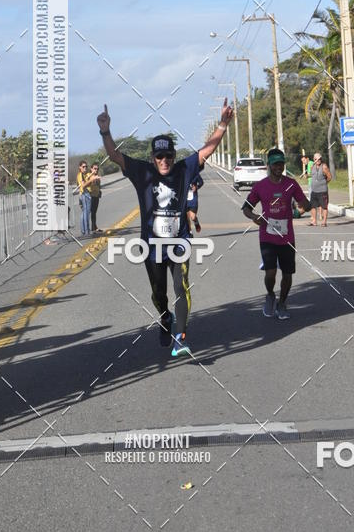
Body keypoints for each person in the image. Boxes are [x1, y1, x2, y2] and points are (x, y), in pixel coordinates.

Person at [96, 101, 233, 358]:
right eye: (159, 157)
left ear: (174, 156)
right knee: (159, 292)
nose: (164, 161)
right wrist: (105, 131)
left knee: (181, 287)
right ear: (152, 158)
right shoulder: (142, 172)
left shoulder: (184, 169)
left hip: (179, 240)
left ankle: (181, 337)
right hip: (152, 245)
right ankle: (164, 316)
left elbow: (207, 150)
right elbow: (115, 156)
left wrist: (224, 123)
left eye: (168, 155)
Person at [242, 148, 311, 320]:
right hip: (267, 236)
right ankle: (270, 294)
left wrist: (301, 210)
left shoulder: (291, 184)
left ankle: (282, 303)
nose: (279, 167)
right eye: (275, 164)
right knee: (270, 273)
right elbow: (246, 208)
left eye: (281, 163)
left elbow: (305, 204)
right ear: (269, 165)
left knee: (287, 274)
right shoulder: (260, 186)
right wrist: (254, 217)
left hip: (287, 237)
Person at [309, 152, 332, 226]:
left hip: (322, 191)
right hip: (314, 190)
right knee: (313, 206)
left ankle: (324, 222)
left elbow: (329, 177)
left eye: (319, 159)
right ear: (314, 159)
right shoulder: (312, 166)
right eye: (316, 159)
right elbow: (312, 175)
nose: (318, 160)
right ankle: (314, 221)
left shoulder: (324, 166)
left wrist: (324, 183)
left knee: (324, 206)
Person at [76, 161, 92, 237]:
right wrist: (91, 180)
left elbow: (90, 177)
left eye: (86, 166)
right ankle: (87, 231)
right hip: (84, 194)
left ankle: (83, 230)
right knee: (86, 213)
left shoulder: (86, 174)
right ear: (80, 167)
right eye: (83, 167)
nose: (85, 168)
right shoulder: (80, 175)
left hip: (86, 194)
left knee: (84, 213)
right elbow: (83, 185)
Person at [186, 168, 204, 235]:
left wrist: (196, 187)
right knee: (186, 219)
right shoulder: (181, 175)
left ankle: (196, 223)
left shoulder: (195, 174)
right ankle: (190, 233)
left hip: (193, 199)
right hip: (184, 200)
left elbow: (201, 182)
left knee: (192, 217)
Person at [88, 163, 102, 233]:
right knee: (91, 212)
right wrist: (92, 176)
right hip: (91, 196)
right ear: (91, 169)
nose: (96, 170)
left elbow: (99, 186)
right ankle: (92, 228)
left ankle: (94, 227)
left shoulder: (97, 177)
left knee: (94, 212)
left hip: (96, 196)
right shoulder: (90, 176)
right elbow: (87, 181)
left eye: (97, 169)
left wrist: (99, 191)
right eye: (94, 168)